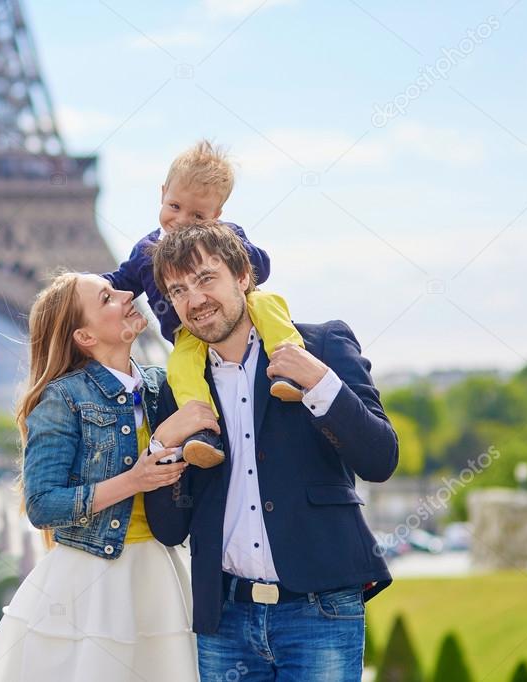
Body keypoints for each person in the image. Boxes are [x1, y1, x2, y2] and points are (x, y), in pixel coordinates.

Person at [145, 221, 400, 681]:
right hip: (224, 619)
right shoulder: (179, 392)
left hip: (319, 610)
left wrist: (320, 382)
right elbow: (169, 526)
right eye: (178, 290)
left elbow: (380, 459)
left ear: (243, 276)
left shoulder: (319, 345)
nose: (195, 300)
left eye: (206, 278)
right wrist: (164, 445)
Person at [0, 272, 215, 682]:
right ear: (84, 337)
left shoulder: (163, 386)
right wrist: (134, 480)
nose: (127, 294)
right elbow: (42, 504)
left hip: (159, 575)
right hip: (90, 579)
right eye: (107, 297)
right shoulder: (63, 397)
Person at [104, 140, 307, 469]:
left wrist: (220, 243)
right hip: (187, 333)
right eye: (174, 207)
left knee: (269, 304)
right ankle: (202, 430)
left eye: (197, 215)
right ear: (162, 192)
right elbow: (119, 282)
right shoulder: (146, 250)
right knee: (181, 369)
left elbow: (262, 267)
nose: (182, 220)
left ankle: (292, 367)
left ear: (216, 215)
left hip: (241, 315)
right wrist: (79, 286)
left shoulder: (226, 235)